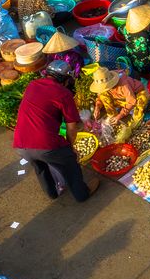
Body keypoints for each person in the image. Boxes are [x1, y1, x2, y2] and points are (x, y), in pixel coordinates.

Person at [13, 61, 98, 202]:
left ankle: (52, 193)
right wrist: (71, 148)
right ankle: (82, 194)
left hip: (20, 144)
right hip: (45, 145)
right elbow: (71, 127)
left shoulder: (33, 85)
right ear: (65, 80)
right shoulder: (64, 94)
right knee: (70, 164)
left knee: (40, 168)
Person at [120, 4, 150, 78]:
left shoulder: (125, 28)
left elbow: (119, 29)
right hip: (148, 67)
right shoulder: (145, 37)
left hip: (135, 63)